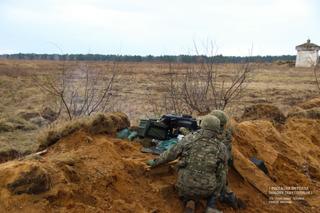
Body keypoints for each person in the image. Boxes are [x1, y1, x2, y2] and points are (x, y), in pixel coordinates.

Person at [146, 115, 227, 213]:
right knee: (223, 172)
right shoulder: (221, 147)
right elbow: (221, 173)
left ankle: (189, 200)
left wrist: (154, 162)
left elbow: (170, 155)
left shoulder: (189, 138)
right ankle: (211, 205)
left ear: (203, 125)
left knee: (184, 166)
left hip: (184, 186)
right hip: (207, 190)